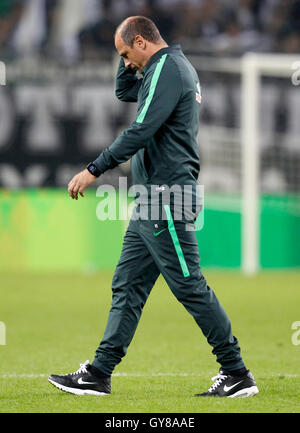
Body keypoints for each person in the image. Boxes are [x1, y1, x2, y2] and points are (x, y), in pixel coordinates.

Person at [48, 16, 259, 398]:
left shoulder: (169, 70)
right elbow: (122, 91)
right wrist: (124, 53)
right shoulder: (162, 69)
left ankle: (237, 372)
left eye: (127, 53)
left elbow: (140, 129)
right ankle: (99, 372)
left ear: (143, 42)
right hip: (150, 201)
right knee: (127, 285)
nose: (127, 64)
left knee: (189, 286)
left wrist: (94, 169)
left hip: (167, 198)